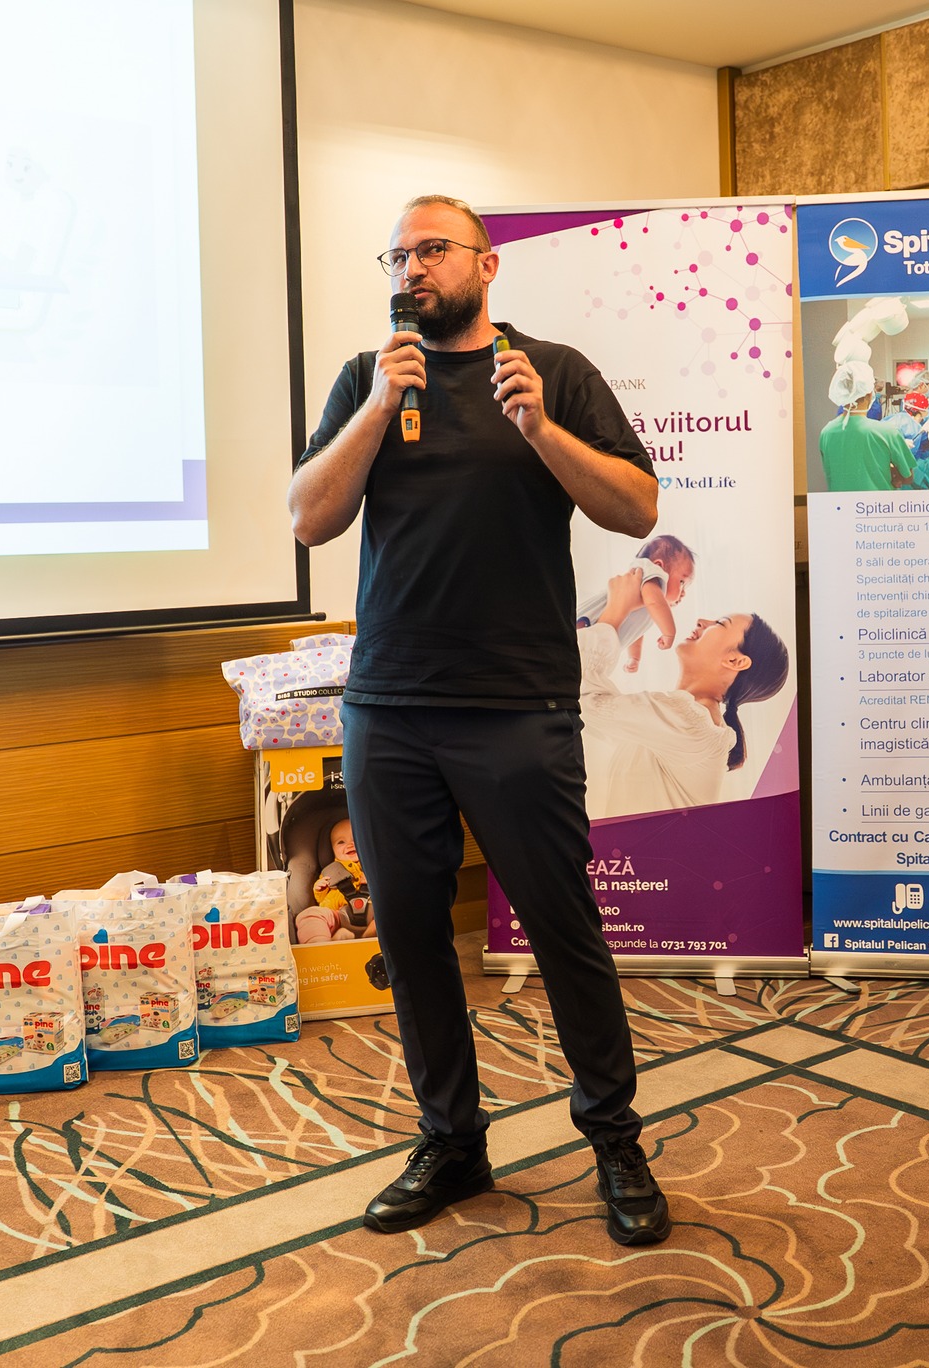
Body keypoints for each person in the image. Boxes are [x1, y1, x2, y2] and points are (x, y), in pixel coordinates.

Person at [286, 194, 671, 1247]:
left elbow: (636, 509)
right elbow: (309, 517)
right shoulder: (368, 378)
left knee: (563, 931)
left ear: (486, 264)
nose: (411, 269)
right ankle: (451, 1141)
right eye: (396, 256)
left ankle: (615, 1141)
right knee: (413, 940)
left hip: (517, 705)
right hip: (391, 708)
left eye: (431, 251)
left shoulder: (554, 372)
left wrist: (539, 428)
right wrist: (378, 406)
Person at [579, 568, 791, 819]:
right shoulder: (688, 721)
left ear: (735, 661)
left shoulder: (690, 723)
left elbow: (583, 701)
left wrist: (616, 611)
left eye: (720, 623)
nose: (702, 621)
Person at [576, 533, 695, 675]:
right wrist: (669, 632)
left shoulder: (648, 601)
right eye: (682, 582)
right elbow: (654, 602)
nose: (683, 592)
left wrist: (634, 657)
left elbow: (637, 630)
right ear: (659, 566)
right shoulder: (650, 574)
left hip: (592, 640)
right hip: (587, 626)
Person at [819, 361, 915, 491]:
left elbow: (834, 472)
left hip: (840, 503)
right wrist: (891, 470)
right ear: (870, 394)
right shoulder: (887, 432)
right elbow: (907, 477)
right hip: (877, 503)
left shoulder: (826, 432)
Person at [299, 817, 373, 943]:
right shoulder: (331, 872)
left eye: (356, 838)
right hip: (339, 915)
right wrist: (320, 889)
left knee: (395, 910)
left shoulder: (375, 865)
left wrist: (374, 881)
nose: (350, 844)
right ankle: (320, 944)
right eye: (341, 842)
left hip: (374, 913)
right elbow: (322, 899)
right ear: (332, 850)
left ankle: (369, 936)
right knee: (309, 915)